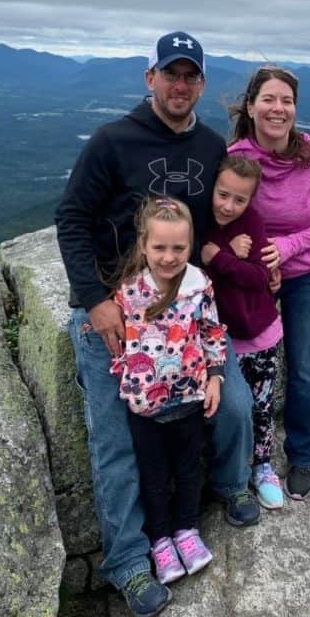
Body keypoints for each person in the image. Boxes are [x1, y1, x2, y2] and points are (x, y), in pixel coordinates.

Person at [55, 31, 259, 617]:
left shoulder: (212, 144)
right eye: (169, 74)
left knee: (235, 404)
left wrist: (253, 254)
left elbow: (225, 209)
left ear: (200, 83)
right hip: (115, 314)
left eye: (190, 75)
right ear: (150, 79)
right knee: (116, 440)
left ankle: (226, 486)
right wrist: (94, 301)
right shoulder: (111, 142)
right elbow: (70, 218)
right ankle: (126, 562)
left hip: (186, 315)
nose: (180, 85)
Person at [227, 65, 310, 502]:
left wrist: (290, 246)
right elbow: (224, 214)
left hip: (306, 273)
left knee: (303, 363)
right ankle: (247, 457)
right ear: (251, 106)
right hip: (252, 279)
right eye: (269, 100)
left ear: (295, 108)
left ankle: (301, 456)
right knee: (244, 366)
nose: (279, 108)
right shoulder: (237, 157)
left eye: (287, 101)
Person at [111, 196, 221, 586]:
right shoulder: (128, 293)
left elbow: (211, 333)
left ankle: (186, 532)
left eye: (179, 247)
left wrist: (216, 377)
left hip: (190, 399)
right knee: (154, 475)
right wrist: (126, 377)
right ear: (143, 245)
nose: (169, 256)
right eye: (159, 247)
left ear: (190, 246)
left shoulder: (198, 285)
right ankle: (160, 540)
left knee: (189, 470)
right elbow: (119, 344)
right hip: (146, 409)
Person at [201, 156, 285, 509]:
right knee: (231, 408)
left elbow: (258, 278)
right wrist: (223, 259)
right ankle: (228, 469)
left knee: (261, 406)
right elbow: (193, 277)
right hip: (221, 338)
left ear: (251, 200)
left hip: (262, 334)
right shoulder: (201, 223)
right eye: (223, 194)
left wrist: (220, 258)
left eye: (239, 199)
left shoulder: (252, 222)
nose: (228, 205)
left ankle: (262, 467)